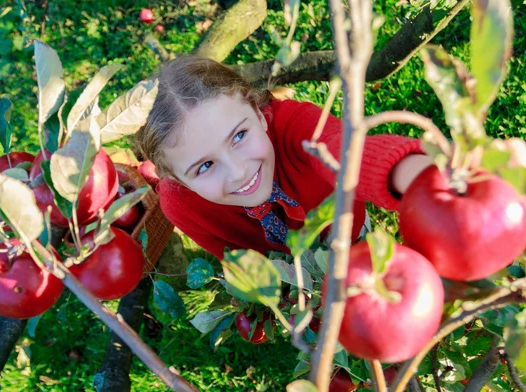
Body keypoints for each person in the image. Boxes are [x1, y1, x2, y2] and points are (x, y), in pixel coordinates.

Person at [135, 55, 433, 260]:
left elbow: (345, 151)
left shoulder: (296, 125)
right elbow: (234, 258)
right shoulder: (181, 205)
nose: (238, 172)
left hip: (348, 227)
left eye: (239, 136)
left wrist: (422, 178)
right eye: (205, 166)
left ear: (259, 114)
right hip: (294, 274)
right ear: (177, 179)